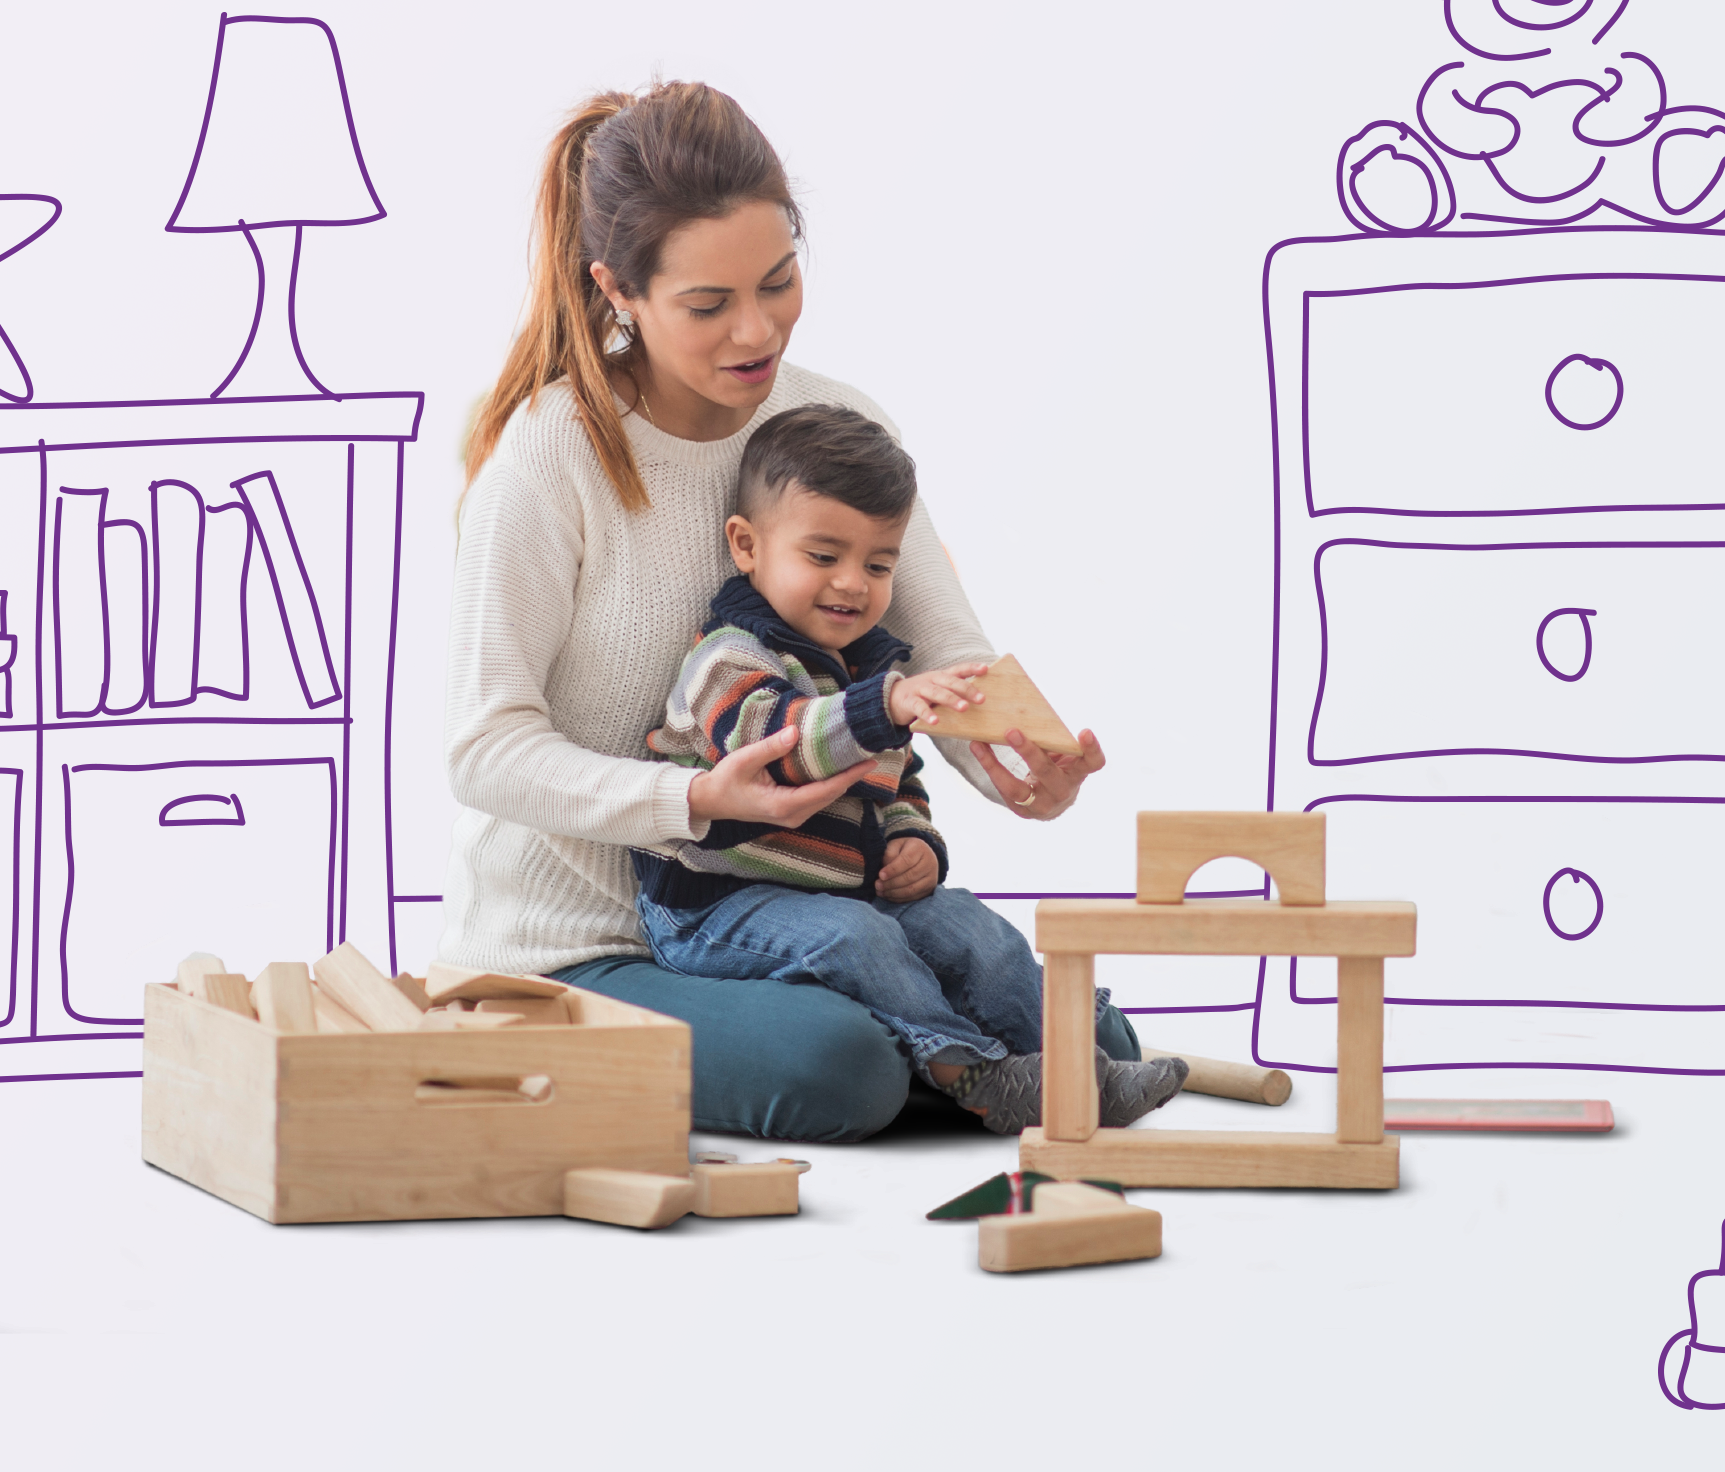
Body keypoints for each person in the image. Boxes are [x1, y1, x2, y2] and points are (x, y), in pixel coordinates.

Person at [444, 79, 1132, 1142]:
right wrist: (691, 804)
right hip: (587, 944)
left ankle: (969, 1064)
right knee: (839, 1068)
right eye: (708, 306)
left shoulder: (837, 421)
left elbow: (946, 662)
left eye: (779, 281)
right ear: (617, 290)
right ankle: (954, 1065)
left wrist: (1020, 770)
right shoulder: (551, 457)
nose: (755, 330)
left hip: (814, 909)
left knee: (1107, 1047)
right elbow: (484, 749)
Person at [634, 402, 1187, 1132]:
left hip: (846, 891)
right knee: (859, 940)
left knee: (969, 926)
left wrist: (913, 840)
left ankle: (1075, 1066)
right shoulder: (728, 656)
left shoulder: (869, 665)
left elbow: (898, 778)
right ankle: (976, 1073)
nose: (853, 584)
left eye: (879, 563)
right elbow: (785, 743)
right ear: (747, 545)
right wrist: (884, 706)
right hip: (715, 903)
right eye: (823, 556)